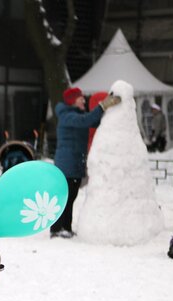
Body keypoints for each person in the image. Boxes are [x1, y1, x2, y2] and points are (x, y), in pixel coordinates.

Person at [52, 86, 121, 238]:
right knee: (65, 198)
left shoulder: (77, 114)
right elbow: (86, 121)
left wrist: (110, 114)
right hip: (66, 165)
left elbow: (92, 121)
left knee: (71, 197)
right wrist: (102, 106)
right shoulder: (67, 115)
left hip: (75, 163)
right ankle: (56, 229)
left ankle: (66, 227)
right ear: (72, 101)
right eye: (80, 97)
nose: (84, 99)